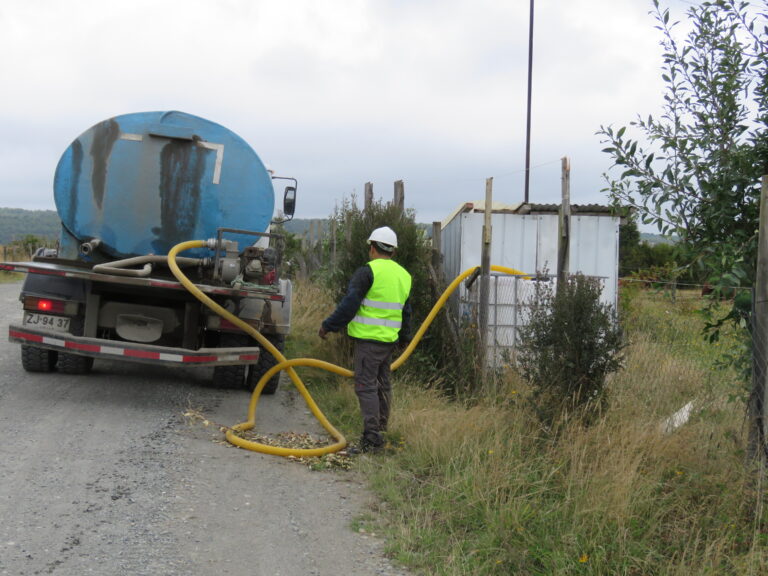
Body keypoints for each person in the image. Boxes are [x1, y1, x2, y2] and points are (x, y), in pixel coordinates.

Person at [319, 226, 413, 454]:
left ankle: (372, 440)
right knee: (383, 385)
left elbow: (350, 304)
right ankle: (381, 430)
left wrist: (329, 326)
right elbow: (406, 311)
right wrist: (405, 339)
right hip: (388, 341)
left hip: (369, 341)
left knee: (366, 386)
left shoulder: (368, 271)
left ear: (372, 248)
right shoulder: (404, 275)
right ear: (393, 251)